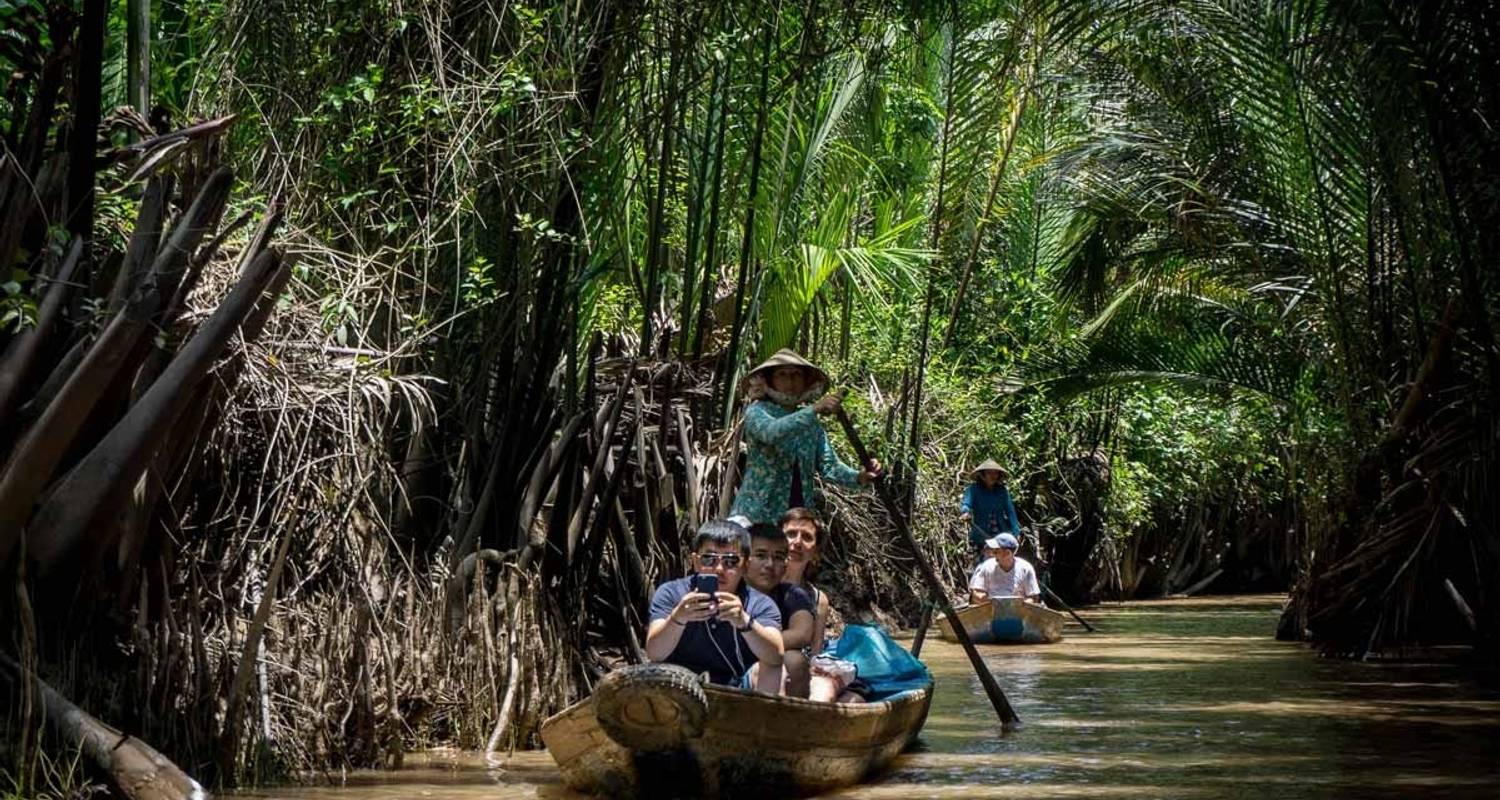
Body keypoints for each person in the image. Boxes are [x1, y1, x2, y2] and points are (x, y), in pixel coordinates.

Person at [729, 349, 880, 527]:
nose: (790, 381)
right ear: (770, 381)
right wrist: (814, 410)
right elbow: (770, 432)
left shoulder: (811, 423)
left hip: (797, 519)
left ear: (806, 382)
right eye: (782, 375)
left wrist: (859, 477)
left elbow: (829, 466)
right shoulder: (758, 411)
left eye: (797, 375)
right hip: (756, 514)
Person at [646, 520, 784, 692]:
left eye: (731, 561)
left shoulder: (760, 604)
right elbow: (654, 653)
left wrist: (744, 622)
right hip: (677, 683)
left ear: (746, 566)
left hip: (738, 686)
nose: (719, 569)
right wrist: (677, 618)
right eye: (708, 559)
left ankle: (758, 719)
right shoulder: (671, 593)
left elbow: (776, 656)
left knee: (773, 669)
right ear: (695, 562)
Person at [779, 507, 862, 703]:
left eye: (806, 537)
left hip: (802, 673)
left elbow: (815, 652)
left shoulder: (818, 599)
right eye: (790, 534)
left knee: (854, 699)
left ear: (815, 552)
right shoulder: (762, 584)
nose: (797, 542)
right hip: (771, 665)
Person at [742, 524, 819, 697]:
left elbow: (802, 634)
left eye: (778, 557)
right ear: (744, 559)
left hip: (770, 665)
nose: (770, 564)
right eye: (761, 555)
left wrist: (752, 641)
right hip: (723, 666)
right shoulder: (729, 589)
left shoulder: (792, 594)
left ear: (785, 565)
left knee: (795, 661)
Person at [960, 459, 1020, 566]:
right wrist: (965, 512)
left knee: (1001, 565)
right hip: (980, 535)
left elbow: (1010, 512)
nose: (993, 476)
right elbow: (966, 504)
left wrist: (1016, 532)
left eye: (995, 473)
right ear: (982, 475)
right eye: (989, 473)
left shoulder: (1002, 491)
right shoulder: (973, 489)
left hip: (1000, 535)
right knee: (982, 566)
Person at [968, 532, 1042, 604]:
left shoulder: (1025, 568)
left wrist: (1018, 606)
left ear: (1007, 553)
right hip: (990, 611)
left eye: (996, 552)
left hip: (1018, 613)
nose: (992, 554)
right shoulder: (986, 566)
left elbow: (1033, 597)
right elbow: (976, 593)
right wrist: (988, 602)